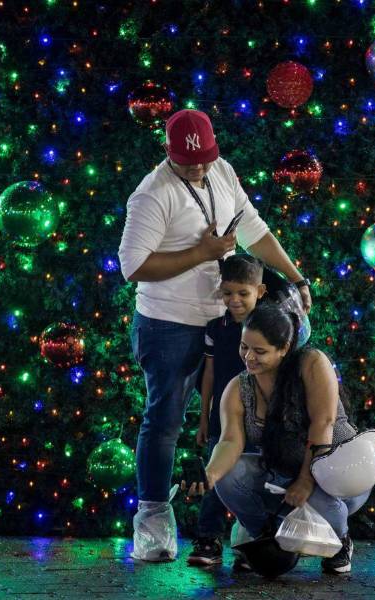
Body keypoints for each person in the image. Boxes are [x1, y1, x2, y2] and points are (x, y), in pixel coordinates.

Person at [118, 109, 312, 561]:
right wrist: (200, 253)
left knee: (238, 422)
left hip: (226, 324)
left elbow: (253, 230)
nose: (200, 169)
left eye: (206, 159)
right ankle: (153, 523)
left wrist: (296, 278)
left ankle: (241, 521)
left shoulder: (222, 171)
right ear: (169, 155)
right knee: (164, 419)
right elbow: (133, 267)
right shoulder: (152, 195)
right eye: (190, 164)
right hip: (168, 324)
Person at [200, 303, 375, 575]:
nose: (248, 357)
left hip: (340, 475)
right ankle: (269, 537)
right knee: (229, 477)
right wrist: (210, 475)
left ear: (284, 348)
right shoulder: (239, 387)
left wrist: (305, 481)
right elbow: (230, 442)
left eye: (259, 351)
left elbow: (323, 423)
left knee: (318, 498)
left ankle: (340, 540)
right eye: (244, 347)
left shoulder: (311, 363)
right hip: (284, 476)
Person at [188, 255, 266, 568]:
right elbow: (208, 373)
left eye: (243, 293)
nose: (234, 300)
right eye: (228, 293)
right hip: (222, 416)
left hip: (259, 419)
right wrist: (203, 416)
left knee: (256, 477)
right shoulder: (215, 328)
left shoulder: (269, 326)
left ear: (259, 291)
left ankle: (253, 543)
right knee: (216, 477)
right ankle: (208, 538)